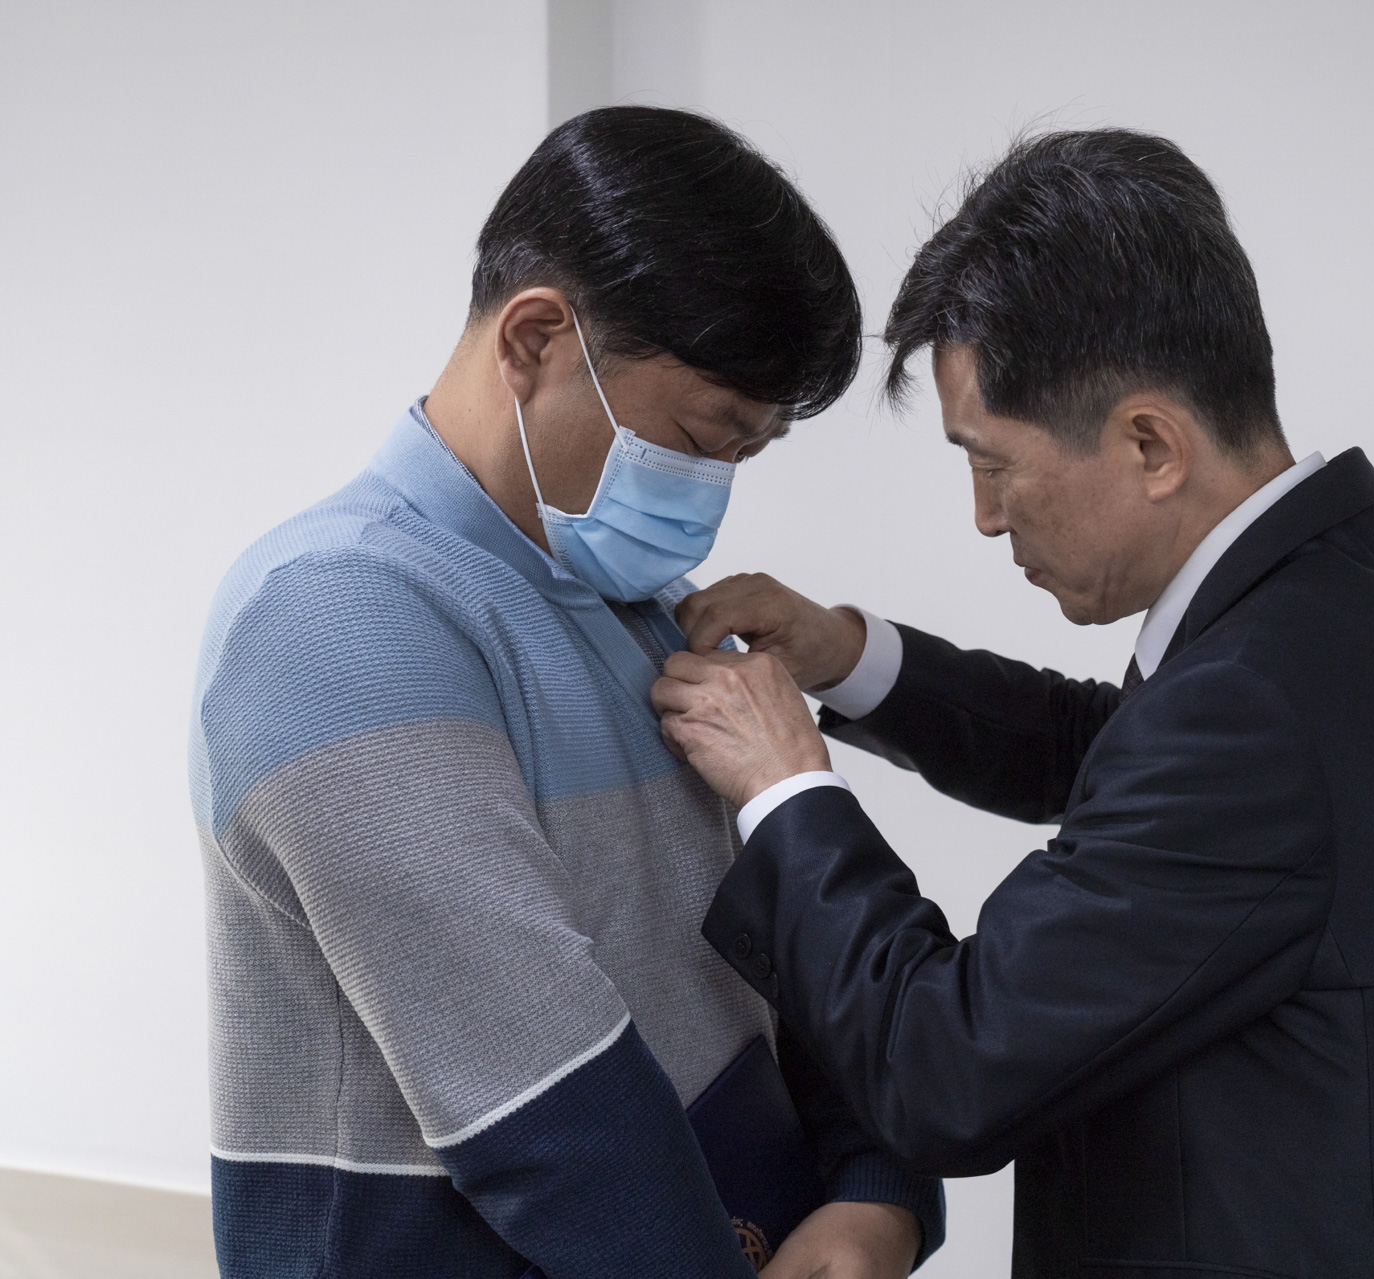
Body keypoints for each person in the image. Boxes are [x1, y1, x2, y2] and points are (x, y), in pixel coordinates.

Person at [651, 130, 1374, 1279]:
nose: (985, 515)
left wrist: (787, 790)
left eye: (992, 463)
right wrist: (850, 658)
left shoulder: (1254, 707)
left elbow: (945, 1063)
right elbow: (1122, 758)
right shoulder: (1363, 589)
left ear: (1150, 443)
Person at [190, 107, 940, 1278]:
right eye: (703, 438)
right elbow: (552, 1119)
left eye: (745, 455)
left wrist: (874, 1191)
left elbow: (782, 959)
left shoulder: (642, 604)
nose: (713, 489)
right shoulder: (336, 618)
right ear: (535, 338)